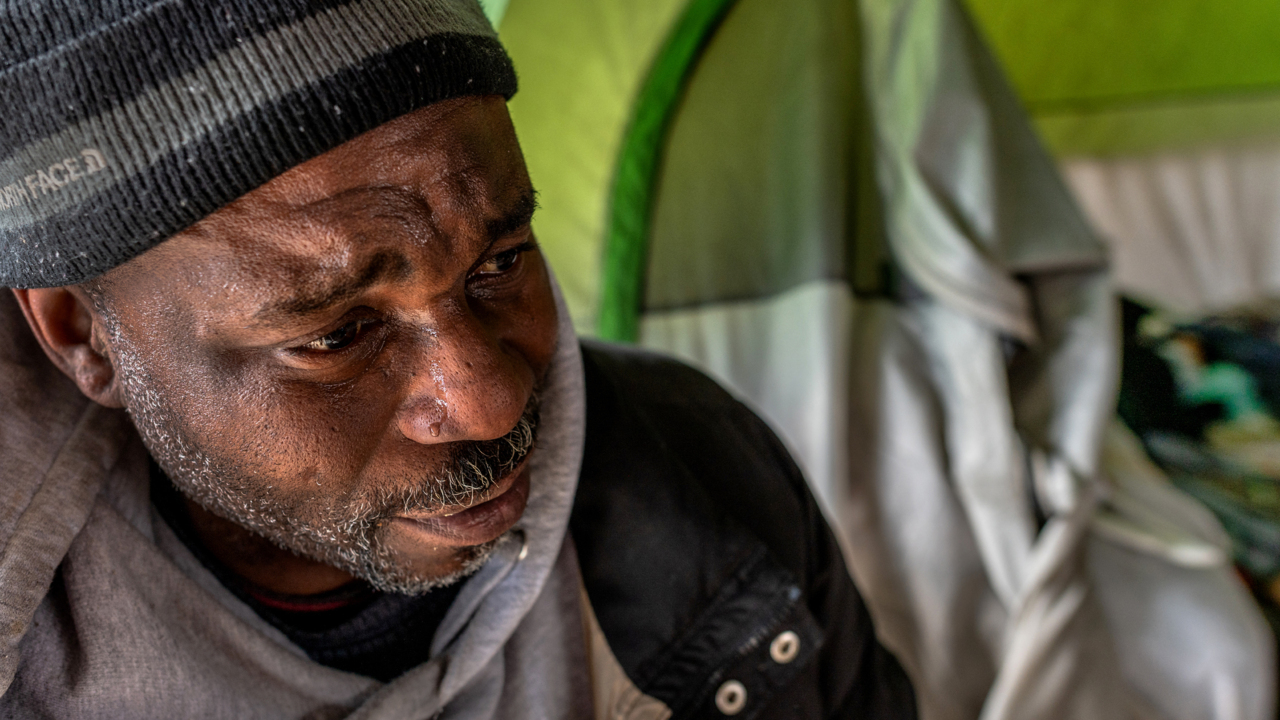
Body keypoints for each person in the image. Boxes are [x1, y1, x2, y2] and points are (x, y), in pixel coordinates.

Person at [0, 1, 915, 717]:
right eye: (337, 335)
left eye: (501, 262)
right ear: (84, 333)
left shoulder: (701, 481)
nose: (491, 402)